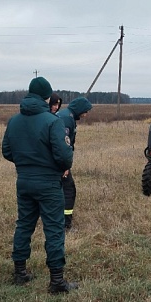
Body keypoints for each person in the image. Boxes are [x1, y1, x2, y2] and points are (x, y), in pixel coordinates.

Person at [2, 76, 77, 294]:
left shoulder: (14, 121)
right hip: (48, 184)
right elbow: (64, 157)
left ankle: (20, 272)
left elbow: (7, 151)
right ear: (47, 97)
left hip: (23, 181)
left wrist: (26, 163)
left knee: (24, 224)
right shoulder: (53, 121)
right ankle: (56, 281)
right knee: (54, 228)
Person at [56, 96, 93, 231]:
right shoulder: (67, 119)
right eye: (86, 111)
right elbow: (62, 143)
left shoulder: (67, 116)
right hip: (59, 162)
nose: (86, 114)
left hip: (56, 161)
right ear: (80, 109)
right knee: (69, 191)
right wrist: (64, 166)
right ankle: (65, 225)